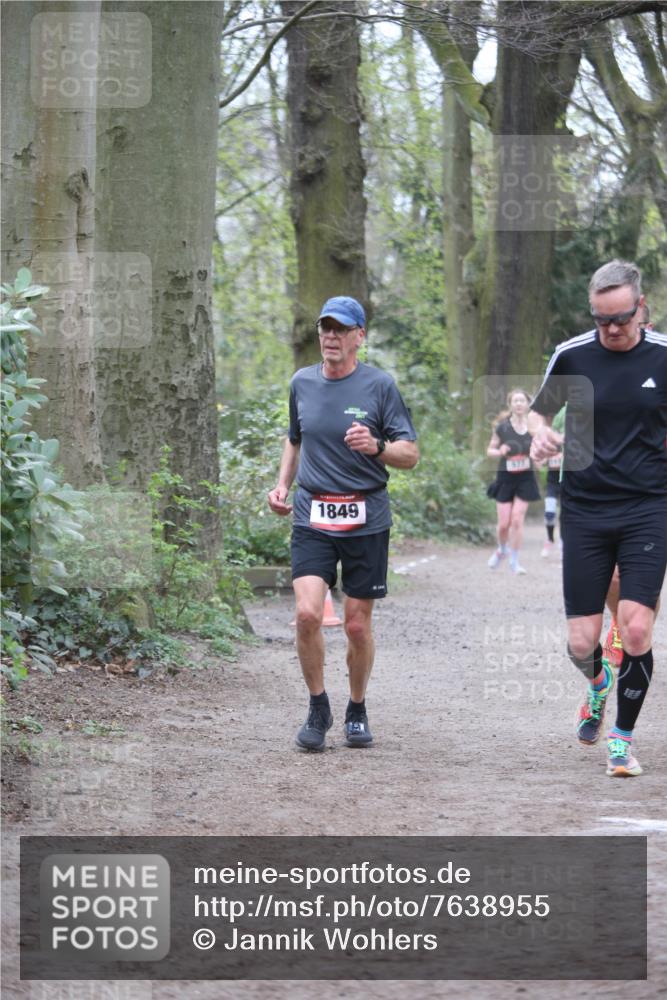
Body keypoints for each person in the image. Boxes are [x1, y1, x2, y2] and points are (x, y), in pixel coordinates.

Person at [531, 260, 666, 777]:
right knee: (582, 642)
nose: (611, 329)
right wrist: (540, 434)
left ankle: (622, 741)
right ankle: (598, 684)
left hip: (648, 506)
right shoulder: (572, 355)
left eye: (621, 319)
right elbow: (539, 412)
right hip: (585, 508)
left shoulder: (663, 356)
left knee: (634, 629)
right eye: (601, 319)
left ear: (641, 308)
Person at [268, 296, 419, 751]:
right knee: (307, 614)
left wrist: (375, 446)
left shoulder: (379, 387)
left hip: (365, 517)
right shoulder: (302, 383)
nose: (331, 337)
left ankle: (356, 708)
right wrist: (281, 486)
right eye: (325, 329)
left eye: (341, 330)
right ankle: (318, 706)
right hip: (312, 514)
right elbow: (295, 439)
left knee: (355, 625)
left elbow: (409, 455)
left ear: (359, 337)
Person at [486, 388, 541, 575]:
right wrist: (499, 451)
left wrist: (540, 459)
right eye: (515, 401)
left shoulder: (534, 429)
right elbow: (490, 451)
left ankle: (515, 561)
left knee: (517, 520)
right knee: (504, 524)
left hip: (525, 478)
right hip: (505, 478)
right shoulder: (502, 427)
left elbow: (539, 451)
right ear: (510, 405)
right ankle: (502, 550)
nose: (519, 404)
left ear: (527, 405)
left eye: (522, 401)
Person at [540, 406, 565, 558]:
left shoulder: (568, 438)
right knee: (549, 513)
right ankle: (549, 540)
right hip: (552, 482)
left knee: (565, 514)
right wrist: (544, 459)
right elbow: (539, 460)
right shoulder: (547, 438)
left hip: (566, 480)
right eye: (549, 417)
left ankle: (563, 543)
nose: (551, 420)